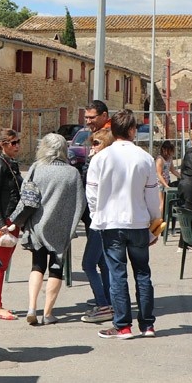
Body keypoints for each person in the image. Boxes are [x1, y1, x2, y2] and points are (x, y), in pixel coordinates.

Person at [86, 110, 161, 339]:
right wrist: (155, 225)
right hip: (138, 222)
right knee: (142, 273)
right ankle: (147, 325)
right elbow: (152, 196)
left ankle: (123, 325)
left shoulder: (100, 158)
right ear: (131, 130)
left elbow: (92, 194)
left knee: (117, 274)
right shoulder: (145, 158)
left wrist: (97, 217)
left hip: (111, 223)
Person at [11, 133, 86, 325]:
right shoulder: (72, 173)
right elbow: (80, 203)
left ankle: (31, 307)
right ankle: (48, 313)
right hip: (61, 228)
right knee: (56, 268)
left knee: (37, 265)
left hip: (37, 225)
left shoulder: (37, 168)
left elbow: (26, 195)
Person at [79, 100, 114, 324]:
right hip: (100, 217)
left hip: (100, 218)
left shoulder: (106, 143)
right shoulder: (101, 144)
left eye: (92, 117)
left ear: (104, 116)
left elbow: (94, 191)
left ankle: (105, 305)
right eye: (87, 117)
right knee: (103, 262)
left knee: (90, 263)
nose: (88, 121)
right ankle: (108, 300)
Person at [0, 128, 23, 320]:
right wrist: (0, 223)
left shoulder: (10, 163)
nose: (17, 145)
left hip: (11, 220)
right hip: (4, 221)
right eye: (13, 142)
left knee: (2, 263)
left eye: (18, 141)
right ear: (3, 144)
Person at [155, 140, 181, 215]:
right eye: (168, 151)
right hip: (159, 184)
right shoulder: (160, 160)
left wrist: (181, 177)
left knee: (166, 202)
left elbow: (173, 170)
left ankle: (164, 217)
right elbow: (159, 174)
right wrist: (166, 185)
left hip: (166, 182)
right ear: (164, 149)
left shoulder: (169, 159)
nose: (170, 153)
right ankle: (160, 219)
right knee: (162, 202)